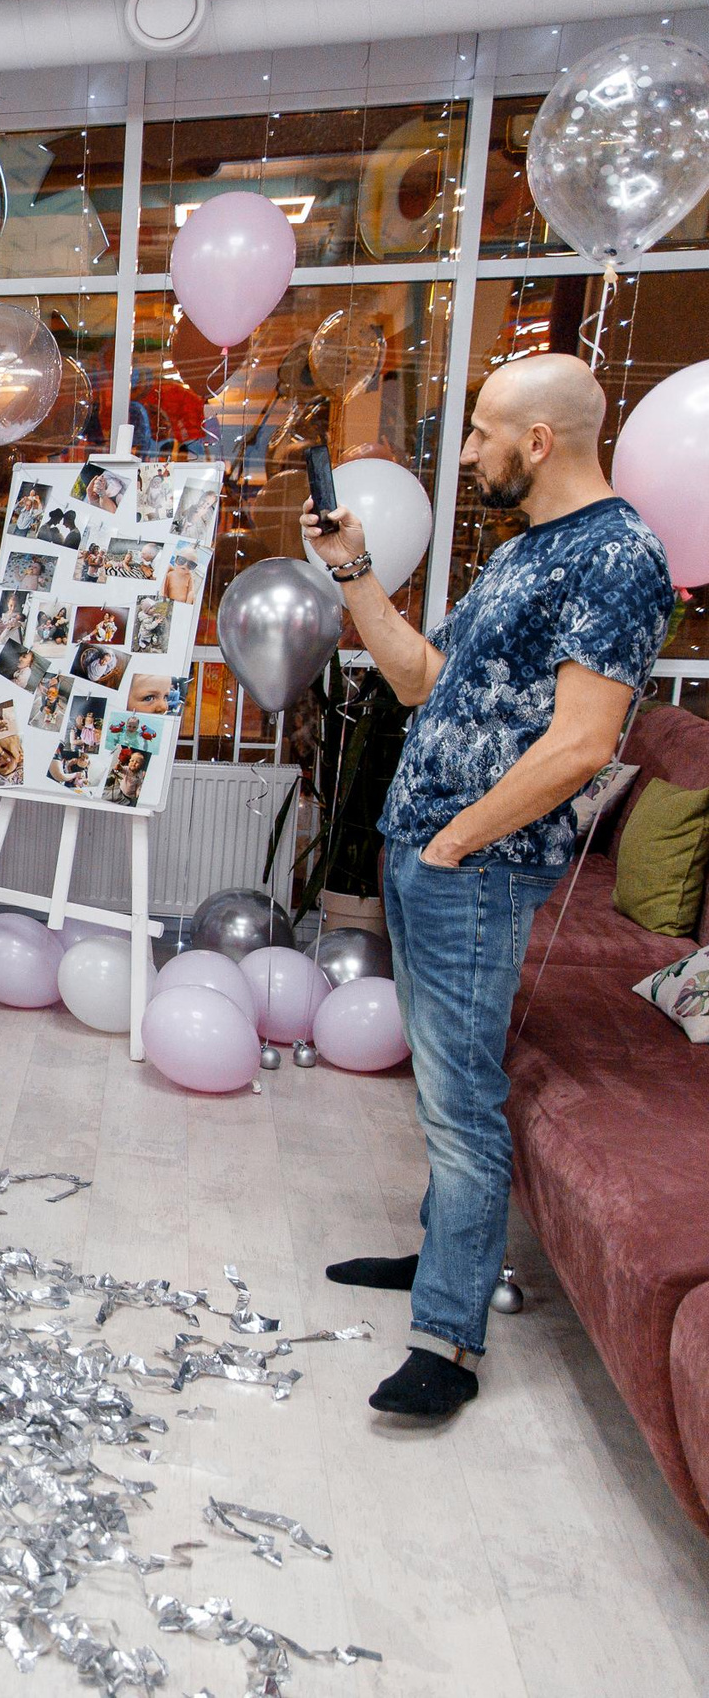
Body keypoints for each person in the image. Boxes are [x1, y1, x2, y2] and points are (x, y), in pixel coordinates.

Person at [305, 352, 672, 1421]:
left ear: (539, 441)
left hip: (474, 867)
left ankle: (449, 1339)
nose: (466, 453)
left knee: (464, 1106)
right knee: (440, 1084)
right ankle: (438, 1260)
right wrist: (351, 572)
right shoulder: (522, 553)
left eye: (479, 434)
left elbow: (582, 745)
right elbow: (422, 681)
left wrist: (454, 845)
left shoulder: (617, 556)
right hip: (424, 850)